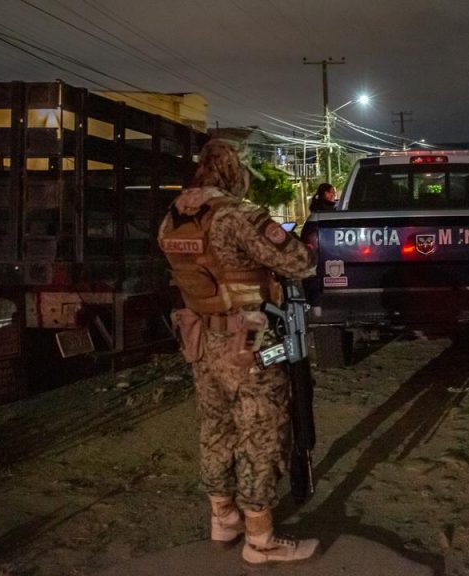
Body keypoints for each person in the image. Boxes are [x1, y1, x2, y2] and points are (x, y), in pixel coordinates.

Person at [157, 138, 319, 564]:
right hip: (245, 339)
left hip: (199, 338)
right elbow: (301, 262)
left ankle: (222, 517)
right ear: (233, 172)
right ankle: (260, 540)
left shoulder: (171, 219)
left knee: (215, 426)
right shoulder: (236, 215)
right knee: (261, 429)